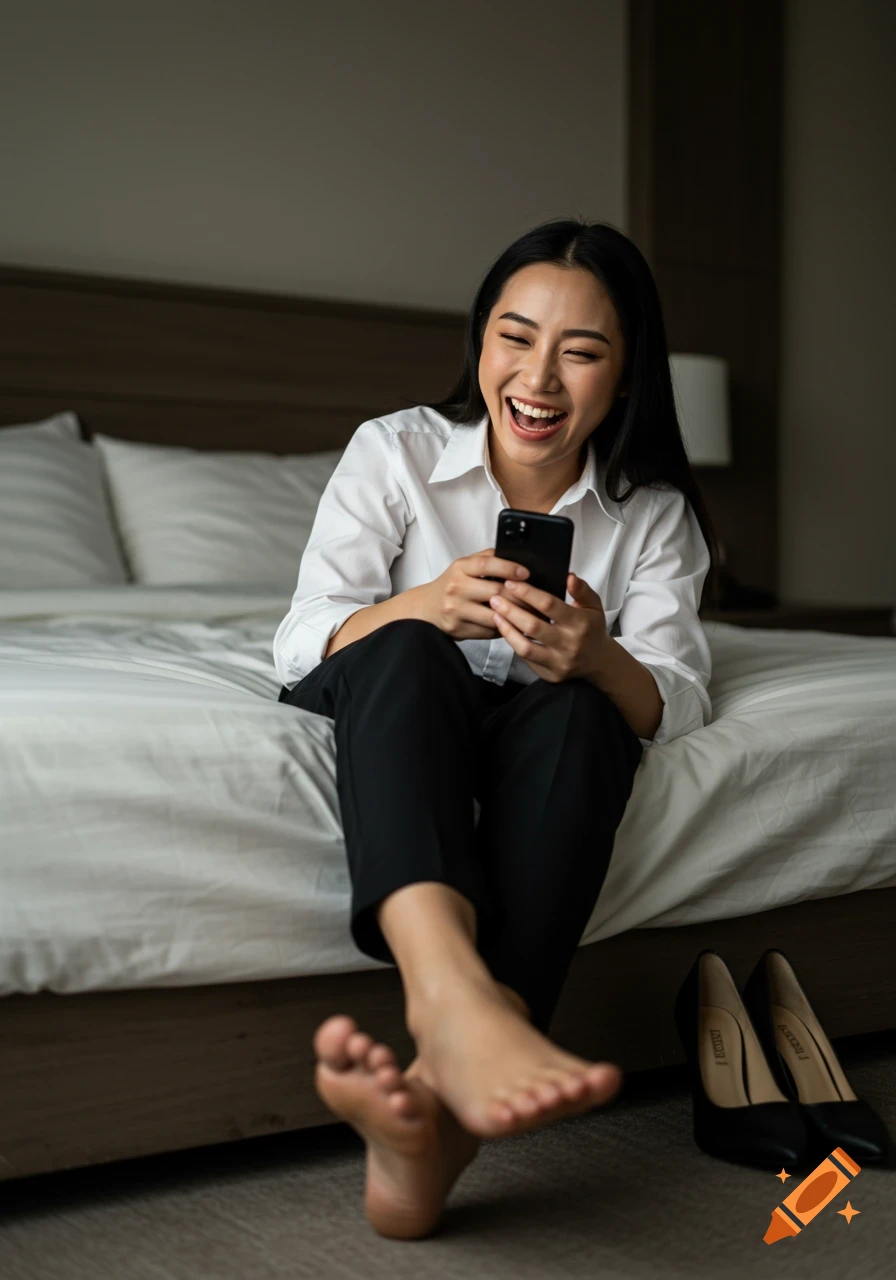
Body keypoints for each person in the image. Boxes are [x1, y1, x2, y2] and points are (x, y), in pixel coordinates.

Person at [272, 218, 721, 1240]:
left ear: (626, 372)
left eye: (582, 349)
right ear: (479, 343)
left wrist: (598, 657)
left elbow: (678, 697)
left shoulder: (650, 513)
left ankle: (432, 1128)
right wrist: (422, 602)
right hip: (404, 690)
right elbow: (298, 642)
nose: (539, 378)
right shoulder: (396, 450)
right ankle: (453, 1002)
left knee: (581, 710)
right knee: (398, 649)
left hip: (544, 713)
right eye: (514, 337)